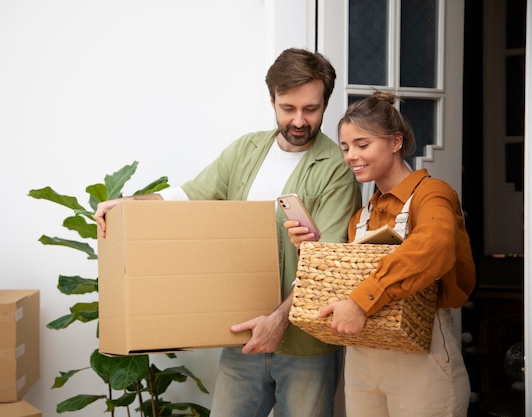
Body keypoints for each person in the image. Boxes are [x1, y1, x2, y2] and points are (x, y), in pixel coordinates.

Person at [94, 48, 362, 417]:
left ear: (325, 105)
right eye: (288, 108)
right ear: (272, 100)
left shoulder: (337, 169)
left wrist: (278, 321)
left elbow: (327, 267)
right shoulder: (247, 150)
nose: (299, 120)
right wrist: (127, 204)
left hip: (305, 347)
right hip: (242, 339)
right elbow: (187, 195)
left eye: (310, 109)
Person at [296, 91, 475, 417]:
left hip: (421, 355)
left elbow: (431, 249)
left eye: (362, 145)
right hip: (362, 356)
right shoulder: (362, 216)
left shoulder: (432, 195)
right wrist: (313, 251)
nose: (351, 155)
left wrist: (362, 301)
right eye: (346, 146)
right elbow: (347, 281)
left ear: (395, 142)